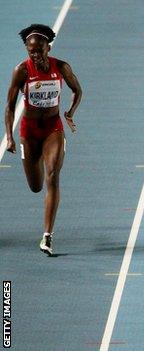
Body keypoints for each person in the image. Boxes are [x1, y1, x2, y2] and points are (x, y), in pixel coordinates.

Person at [4, 24, 82, 256]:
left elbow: (77, 90)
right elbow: (9, 108)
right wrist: (9, 136)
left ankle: (47, 236)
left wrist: (70, 112)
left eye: (39, 50)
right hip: (29, 132)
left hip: (52, 129)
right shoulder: (22, 71)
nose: (35, 55)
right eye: (31, 51)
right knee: (36, 186)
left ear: (48, 47)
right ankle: (35, 158)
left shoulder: (62, 67)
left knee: (52, 176)